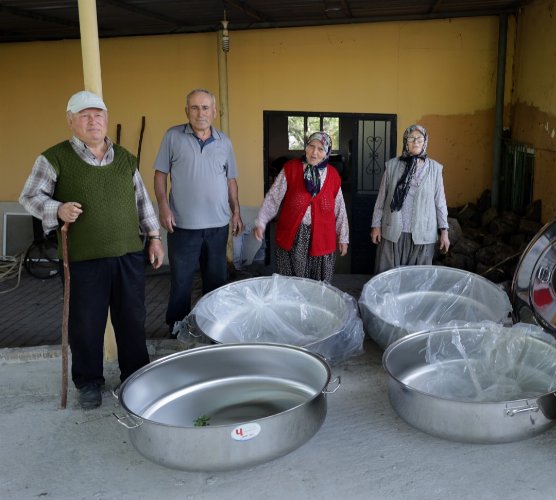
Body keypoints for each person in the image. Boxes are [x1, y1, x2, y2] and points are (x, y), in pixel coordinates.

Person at [19, 90, 165, 409]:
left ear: (107, 119)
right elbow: (29, 196)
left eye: (98, 115)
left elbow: (142, 200)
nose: (93, 121)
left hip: (127, 254)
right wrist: (57, 209)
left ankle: (135, 377)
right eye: (84, 116)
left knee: (131, 318)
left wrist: (154, 236)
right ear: (71, 122)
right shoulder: (54, 157)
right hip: (83, 259)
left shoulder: (125, 158)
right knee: (86, 322)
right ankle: (88, 382)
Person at [153, 88, 243, 335]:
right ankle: (177, 327)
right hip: (182, 225)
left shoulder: (225, 141)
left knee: (216, 281)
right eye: (194, 107)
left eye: (205, 108)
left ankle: (213, 327)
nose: (200, 113)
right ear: (186, 111)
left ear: (214, 111)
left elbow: (231, 180)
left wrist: (236, 211)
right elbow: (160, 174)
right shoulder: (173, 136)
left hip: (217, 225)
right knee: (181, 280)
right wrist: (163, 206)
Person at [253, 132, 349, 283]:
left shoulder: (333, 175)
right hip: (293, 239)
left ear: (327, 153)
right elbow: (273, 197)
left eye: (320, 149)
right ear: (306, 147)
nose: (314, 152)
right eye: (311, 146)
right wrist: (261, 221)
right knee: (292, 286)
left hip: (322, 239)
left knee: (318, 289)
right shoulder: (291, 168)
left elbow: (340, 208)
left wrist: (343, 237)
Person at [370, 124, 450, 274]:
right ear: (405, 142)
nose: (415, 142)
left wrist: (444, 232)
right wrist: (376, 226)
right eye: (411, 138)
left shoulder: (435, 169)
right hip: (393, 232)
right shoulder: (392, 165)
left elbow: (440, 202)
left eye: (419, 138)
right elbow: (381, 199)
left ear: (425, 141)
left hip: (423, 235)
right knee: (388, 278)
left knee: (417, 281)